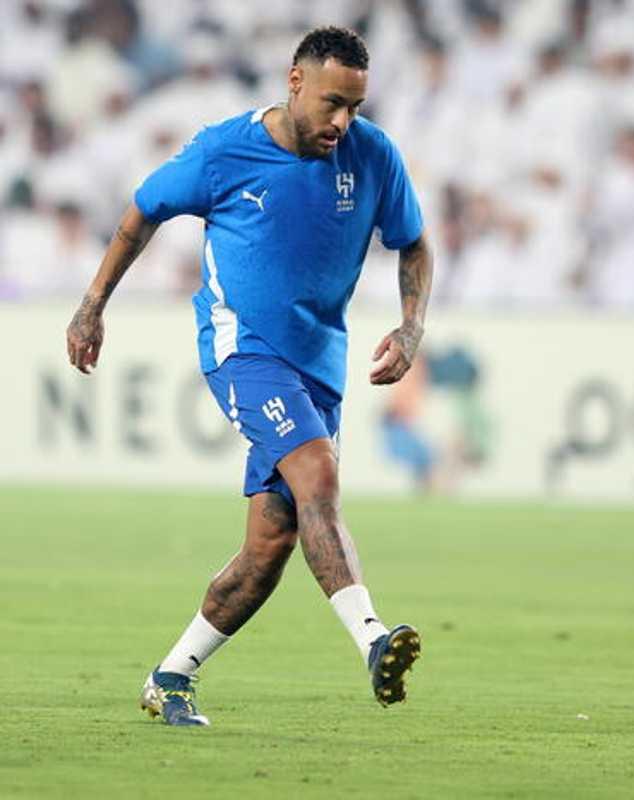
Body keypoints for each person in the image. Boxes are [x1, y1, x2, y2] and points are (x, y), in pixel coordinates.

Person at [64, 27, 432, 727]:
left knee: (270, 545)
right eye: (331, 103)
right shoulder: (223, 152)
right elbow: (142, 213)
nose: (342, 121)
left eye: (354, 106)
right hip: (245, 352)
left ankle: (171, 675)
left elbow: (413, 243)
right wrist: (92, 306)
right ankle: (373, 639)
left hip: (320, 365)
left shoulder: (373, 154)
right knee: (318, 474)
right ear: (295, 82)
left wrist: (411, 327)